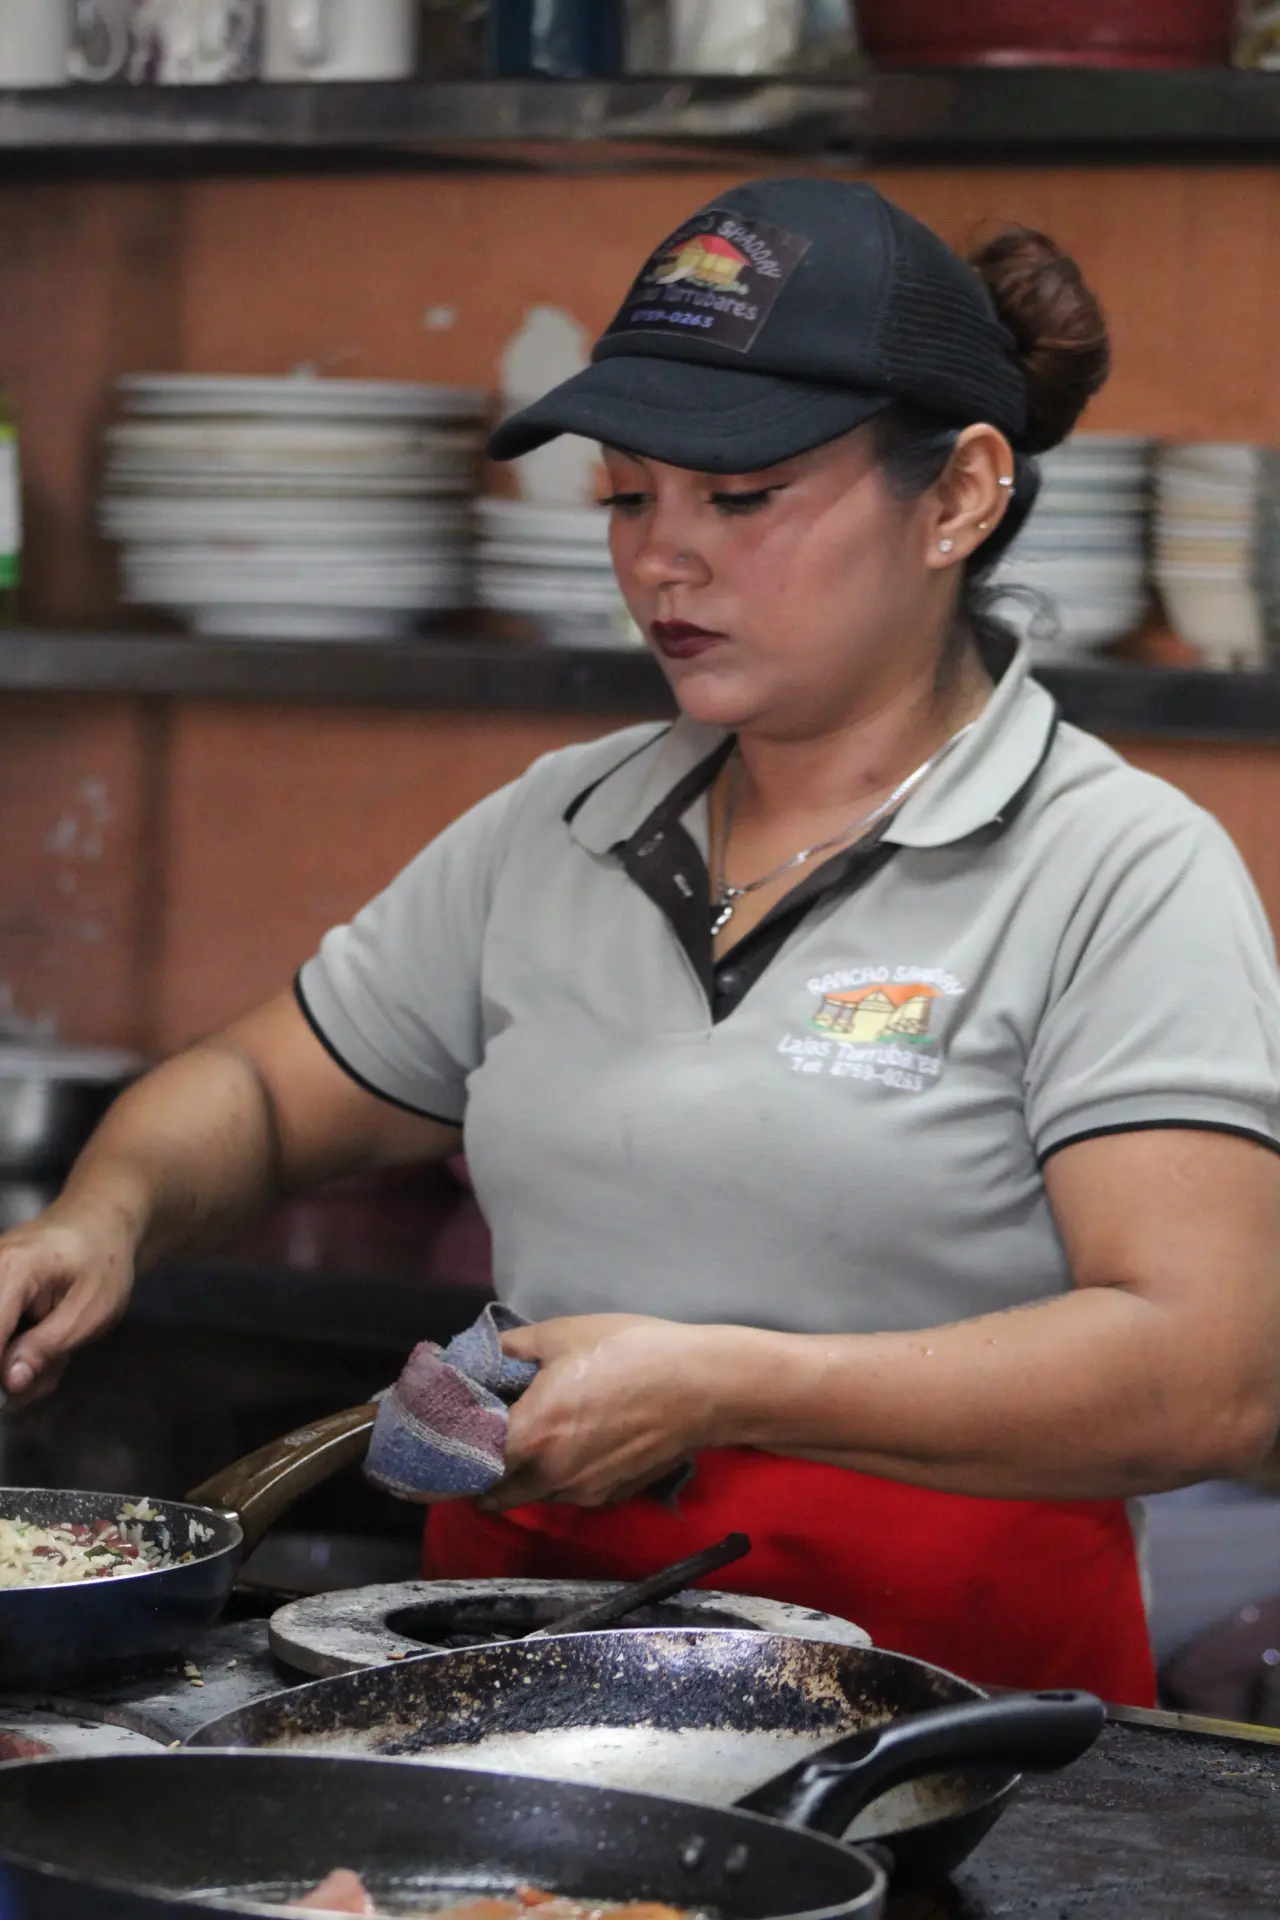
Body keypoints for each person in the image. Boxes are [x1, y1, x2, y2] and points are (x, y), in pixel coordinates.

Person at [2, 179, 1279, 1707]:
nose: (663, 560)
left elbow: (1211, 1374)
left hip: (950, 1728)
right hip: (522, 1692)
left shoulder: (1112, 869)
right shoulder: (562, 825)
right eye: (626, 496)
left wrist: (724, 1386)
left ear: (957, 498)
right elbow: (267, 1093)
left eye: (741, 501)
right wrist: (106, 1215)